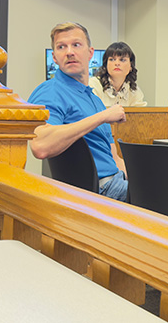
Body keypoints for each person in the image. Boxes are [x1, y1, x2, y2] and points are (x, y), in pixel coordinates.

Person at [28, 22, 129, 202]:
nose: (69, 52)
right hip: (98, 190)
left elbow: (114, 158)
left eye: (76, 45)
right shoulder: (51, 92)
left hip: (116, 181)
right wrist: (103, 116)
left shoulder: (94, 99)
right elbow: (40, 146)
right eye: (61, 47)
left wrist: (139, 180)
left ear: (90, 53)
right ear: (55, 57)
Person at [89, 42, 147, 107]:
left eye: (122, 60)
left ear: (131, 66)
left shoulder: (134, 91)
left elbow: (140, 115)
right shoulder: (93, 85)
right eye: (112, 59)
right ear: (106, 65)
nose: (117, 63)